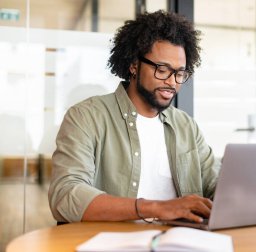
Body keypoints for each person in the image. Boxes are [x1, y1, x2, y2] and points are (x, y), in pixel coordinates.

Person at [48, 10, 220, 223]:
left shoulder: (186, 126)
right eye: (162, 69)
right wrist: (155, 207)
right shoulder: (87, 117)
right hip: (113, 242)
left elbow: (216, 184)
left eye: (179, 73)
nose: (172, 82)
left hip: (178, 240)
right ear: (134, 65)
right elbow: (65, 196)